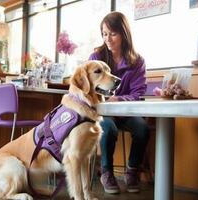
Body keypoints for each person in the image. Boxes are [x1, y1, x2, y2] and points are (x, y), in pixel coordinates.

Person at [89, 11, 150, 194]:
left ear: (124, 33)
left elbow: (138, 93)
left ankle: (132, 171)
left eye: (112, 34)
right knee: (108, 129)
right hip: (104, 112)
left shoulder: (137, 61)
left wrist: (119, 99)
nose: (108, 39)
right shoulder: (96, 57)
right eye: (104, 34)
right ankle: (106, 172)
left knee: (143, 129)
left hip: (127, 111)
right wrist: (106, 99)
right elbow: (90, 88)